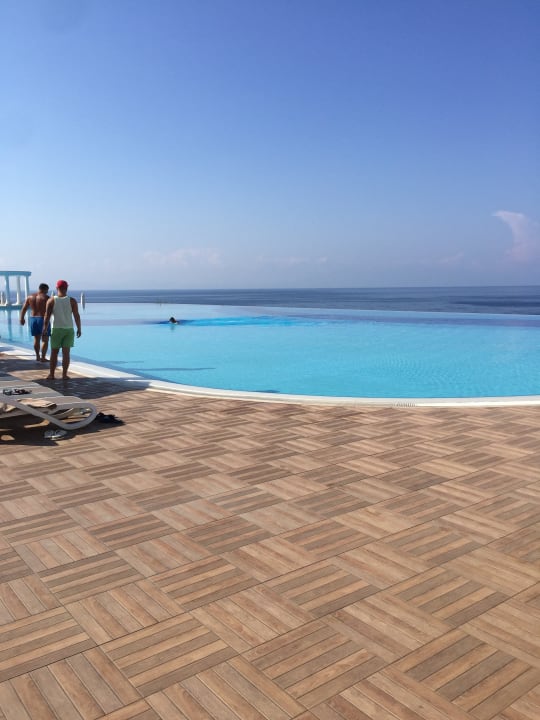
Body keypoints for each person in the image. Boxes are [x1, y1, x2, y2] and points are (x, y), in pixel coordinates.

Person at [42, 280, 81, 381]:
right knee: (66, 353)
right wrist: (79, 328)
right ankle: (64, 375)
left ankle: (51, 374)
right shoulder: (72, 301)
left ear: (56, 288)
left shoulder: (51, 300)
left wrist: (44, 329)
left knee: (54, 353)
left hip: (56, 329)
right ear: (66, 288)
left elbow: (47, 316)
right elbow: (76, 316)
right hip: (68, 329)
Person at [20, 283, 51, 362]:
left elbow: (24, 308)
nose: (47, 292)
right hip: (43, 319)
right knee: (45, 340)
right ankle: (43, 358)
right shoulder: (47, 298)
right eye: (47, 290)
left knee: (36, 339)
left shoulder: (30, 297)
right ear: (45, 289)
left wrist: (21, 318)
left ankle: (37, 356)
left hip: (33, 319)